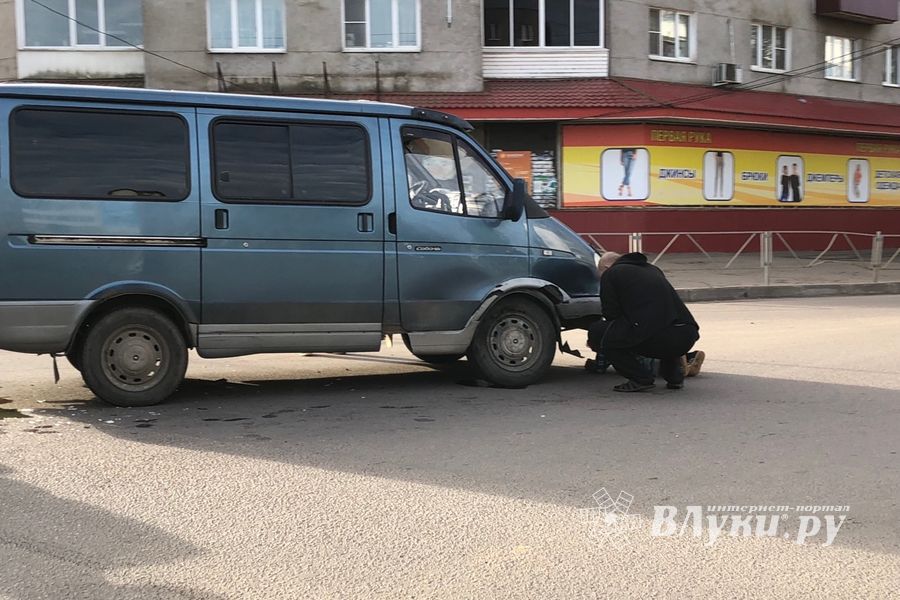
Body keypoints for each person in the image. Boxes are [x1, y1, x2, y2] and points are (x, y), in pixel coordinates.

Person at [587, 252, 700, 392]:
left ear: (606, 266)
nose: (599, 276)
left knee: (599, 333)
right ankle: (674, 378)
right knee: (662, 328)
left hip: (657, 336)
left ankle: (640, 378)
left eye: (599, 271)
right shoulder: (653, 269)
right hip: (686, 334)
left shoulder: (612, 274)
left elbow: (611, 313)